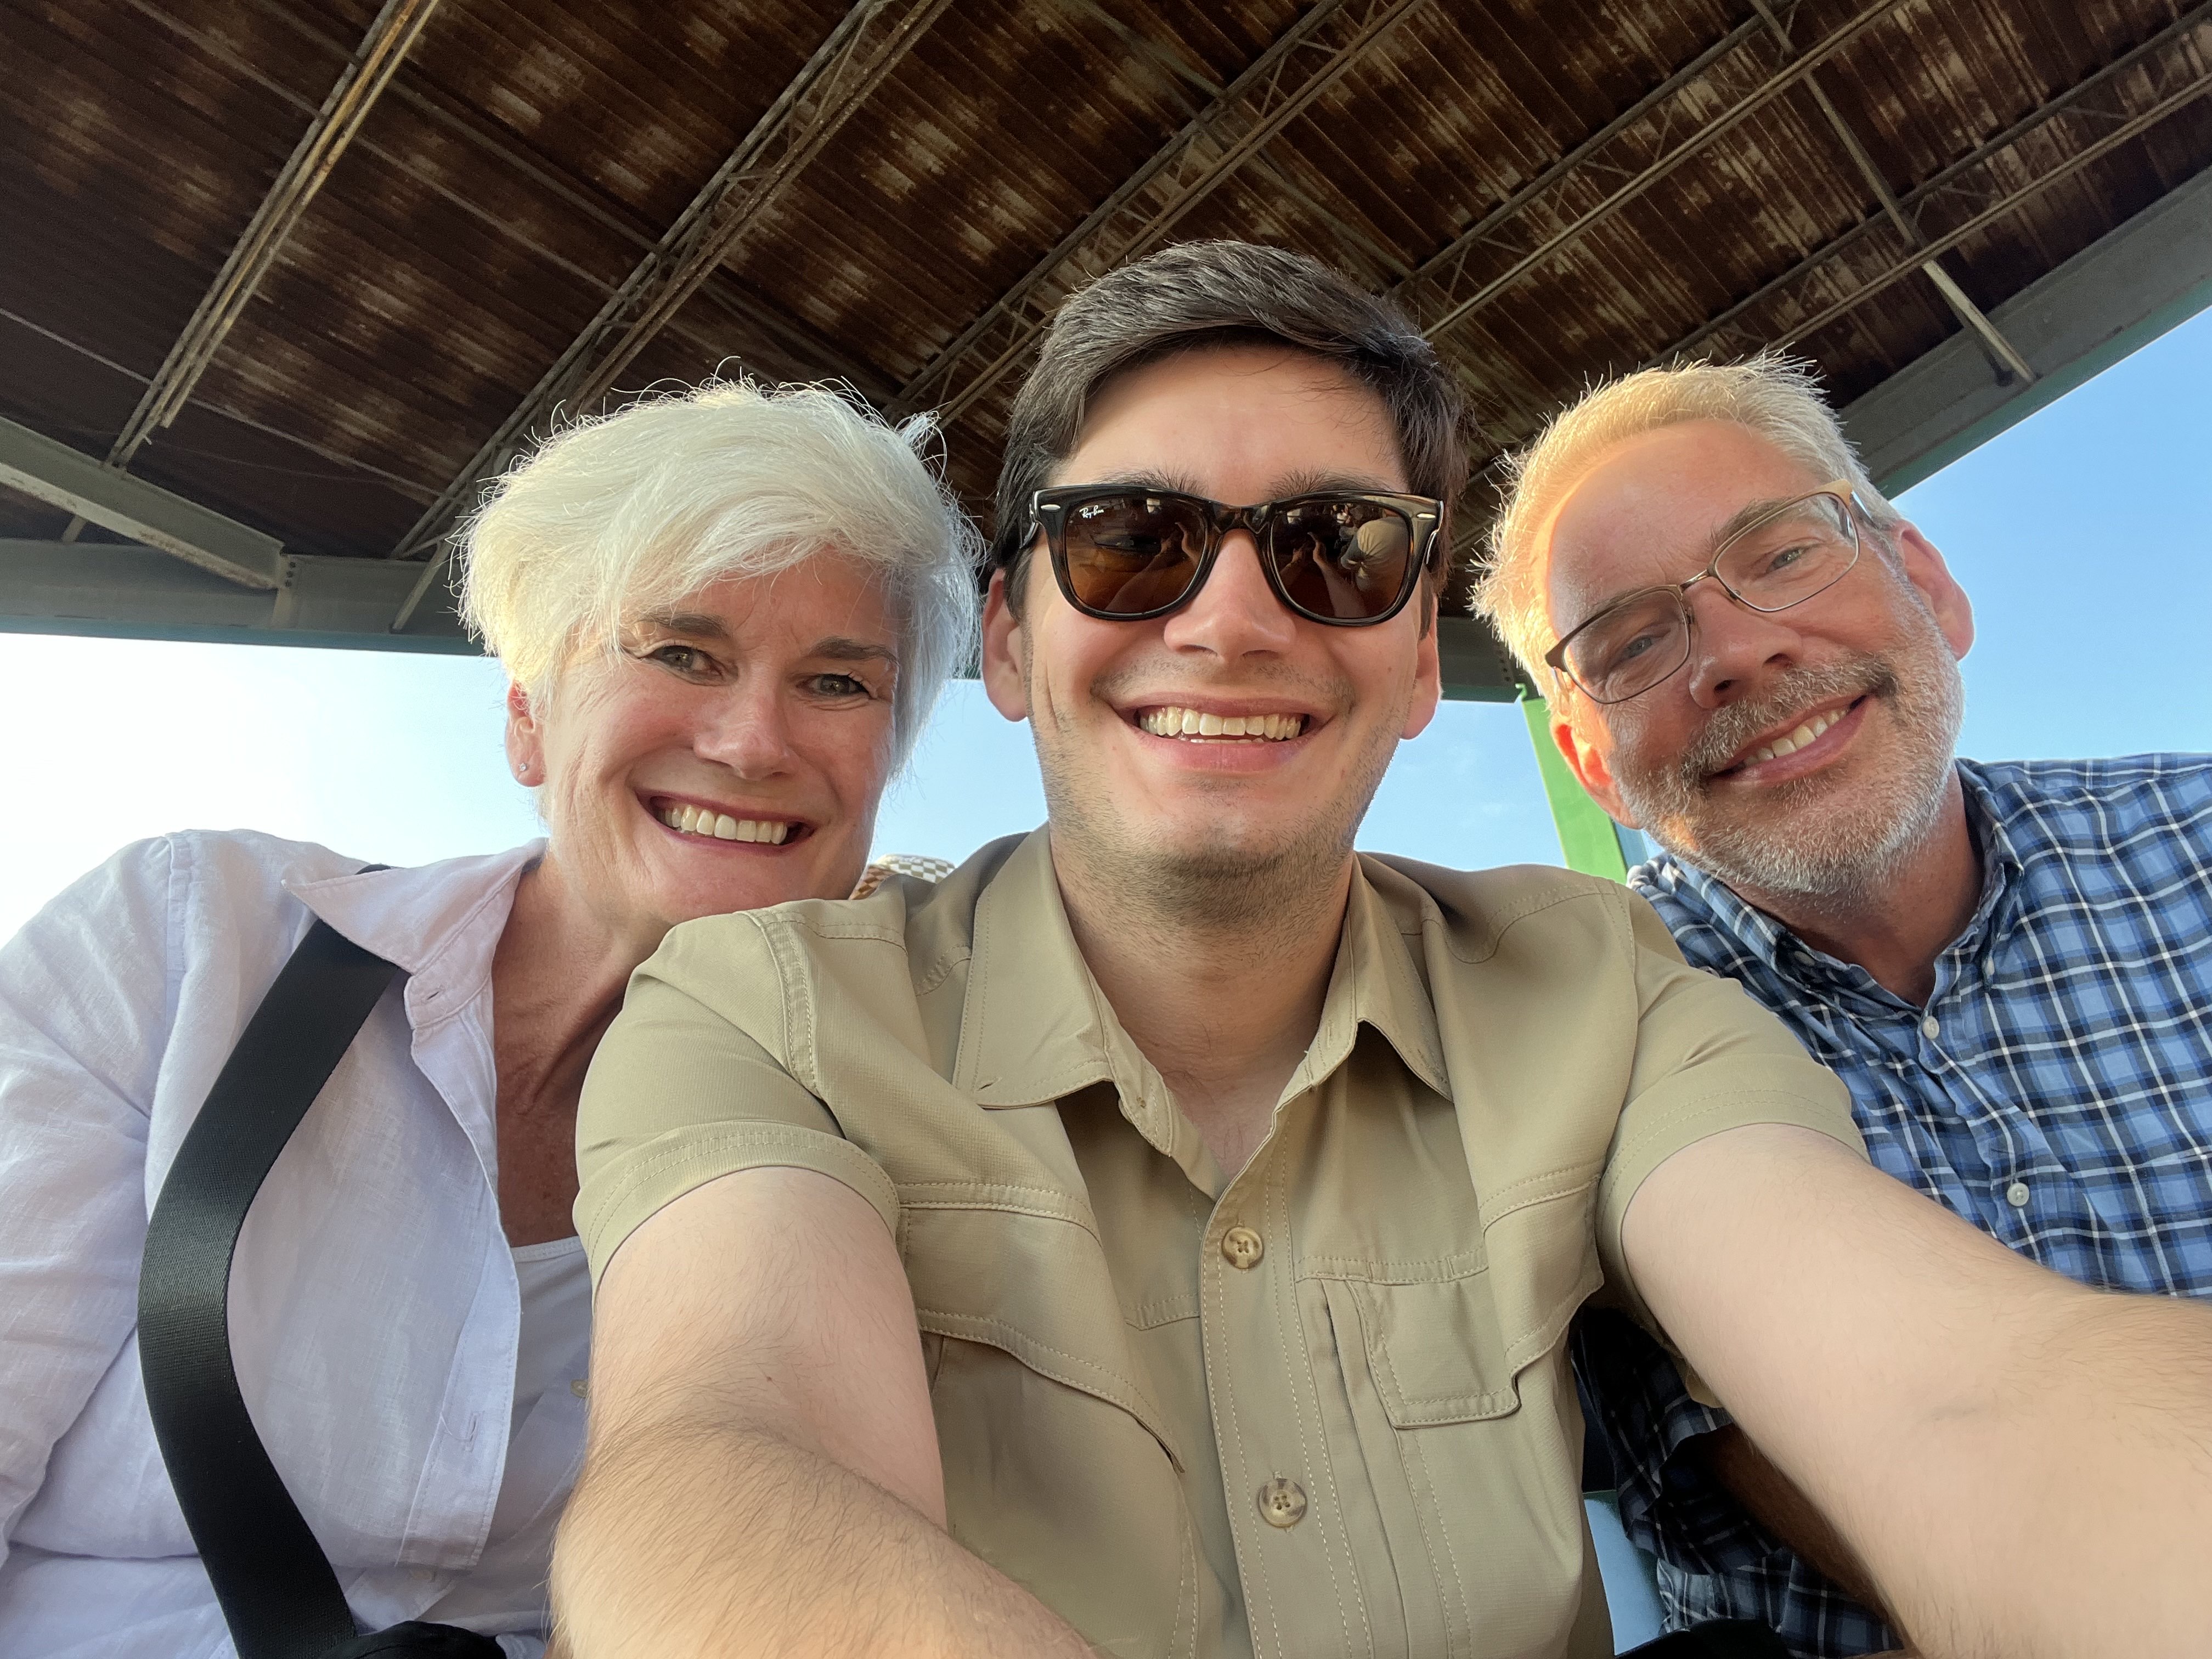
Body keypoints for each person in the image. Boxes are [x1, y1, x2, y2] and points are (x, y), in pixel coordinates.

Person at [552, 243, 2212, 1659]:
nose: (1229, 618)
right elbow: (728, 1466)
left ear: (1421, 660)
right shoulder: (766, 1006)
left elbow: (1958, 1401)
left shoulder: (1599, 988)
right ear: (1008, 631)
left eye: (1335, 551)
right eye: (1133, 539)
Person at [0, 379, 979, 1657]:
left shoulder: (917, 1109)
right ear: (528, 721)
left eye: (840, 683)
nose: (754, 741)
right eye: (680, 652)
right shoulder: (192, 944)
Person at [1474, 352, 2212, 1657]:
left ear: (1925, 580)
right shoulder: (1578, 1017)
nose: (1740, 651)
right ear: (1590, 761)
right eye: (1633, 641)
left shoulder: (2195, 836)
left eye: (1782, 554)